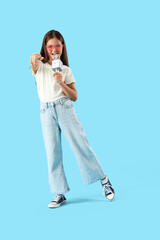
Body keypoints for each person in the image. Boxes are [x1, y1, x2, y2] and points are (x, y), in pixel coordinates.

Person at [30, 29, 115, 208]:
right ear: (45, 47)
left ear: (62, 47)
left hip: (64, 107)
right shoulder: (39, 67)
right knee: (52, 152)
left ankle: (104, 180)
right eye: (50, 46)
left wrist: (61, 81)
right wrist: (34, 57)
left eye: (57, 46)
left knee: (80, 144)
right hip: (45, 111)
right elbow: (34, 64)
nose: (54, 49)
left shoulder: (66, 69)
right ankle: (59, 192)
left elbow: (74, 96)